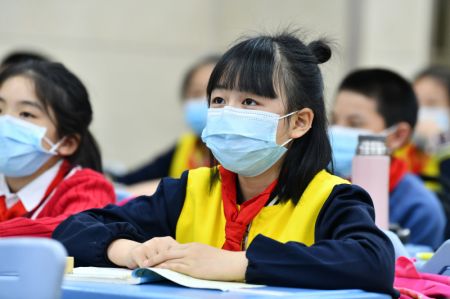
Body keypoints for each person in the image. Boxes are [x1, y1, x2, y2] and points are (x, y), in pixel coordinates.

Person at [53, 32, 396, 296]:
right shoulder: (190, 190)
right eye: (219, 100)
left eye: (249, 101)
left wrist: (237, 263)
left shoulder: (333, 198)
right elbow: (74, 231)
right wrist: (131, 251)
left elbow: (372, 262)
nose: (229, 114)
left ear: (300, 122)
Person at [330, 68, 446, 248]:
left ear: (398, 135)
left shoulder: (419, 208)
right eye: (334, 120)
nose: (336, 131)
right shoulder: (314, 184)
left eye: (354, 124)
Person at [0, 60, 115, 237]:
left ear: (66, 143)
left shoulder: (88, 188)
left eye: (26, 114)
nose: (5, 122)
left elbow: (75, 229)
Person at [112, 56, 220, 196]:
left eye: (215, 96)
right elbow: (131, 179)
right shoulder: (185, 146)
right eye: (196, 93)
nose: (204, 101)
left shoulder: (238, 155)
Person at [413, 65, 450, 238]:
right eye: (416, 103)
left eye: (432, 104)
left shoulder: (444, 152)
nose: (421, 111)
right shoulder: (405, 149)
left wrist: (441, 143)